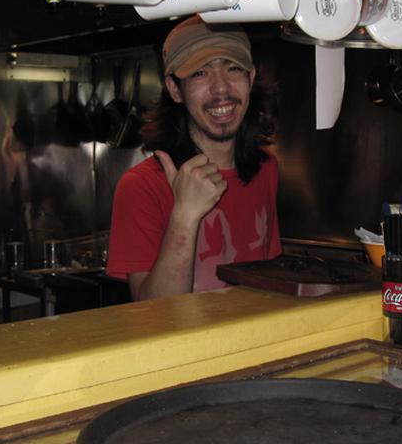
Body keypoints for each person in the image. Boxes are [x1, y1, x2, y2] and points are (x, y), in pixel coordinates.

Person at [106, 17, 281, 300]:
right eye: (200, 73)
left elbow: (270, 282)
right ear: (175, 89)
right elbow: (155, 315)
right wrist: (185, 215)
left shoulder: (266, 169)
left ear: (250, 79)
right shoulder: (141, 186)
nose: (221, 88)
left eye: (233, 68)